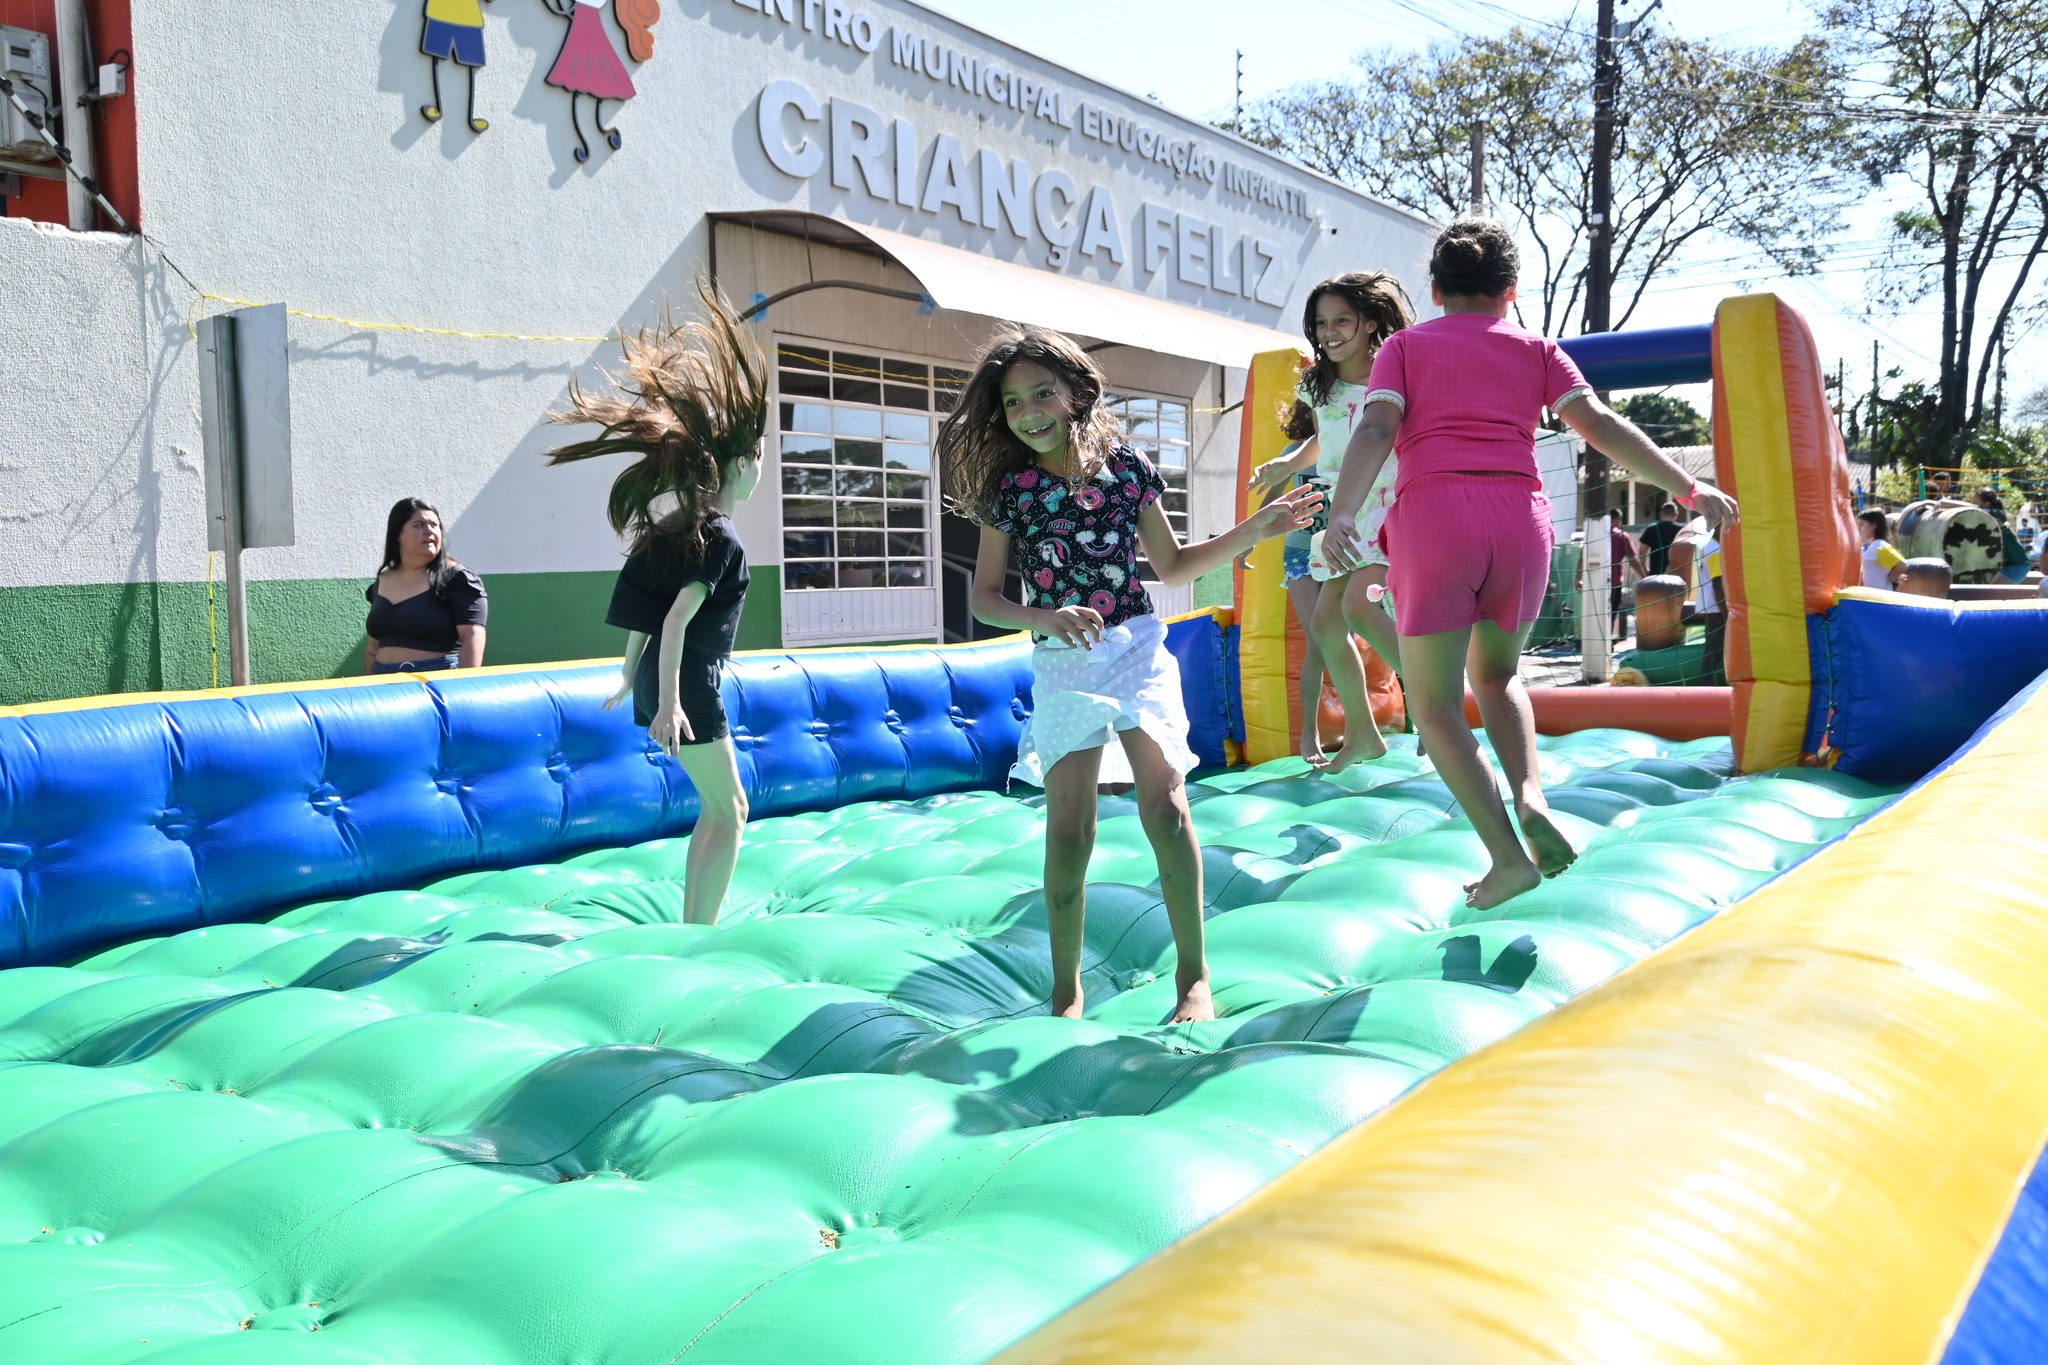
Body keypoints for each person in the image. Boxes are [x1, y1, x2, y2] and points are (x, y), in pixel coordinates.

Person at [1323, 217, 1738, 910]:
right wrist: (1688, 487)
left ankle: (1508, 857)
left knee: (1434, 703)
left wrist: (1343, 512)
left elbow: (1376, 427)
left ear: (1435, 290)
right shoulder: (1538, 349)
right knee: (1498, 674)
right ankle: (1531, 795)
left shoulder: (1404, 346)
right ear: (1510, 290)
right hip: (1520, 520)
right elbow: (1600, 424)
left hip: (1436, 517)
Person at [940, 326, 1321, 1022]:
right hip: (1063, 660)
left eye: (1042, 394)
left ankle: (1194, 979)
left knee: (1166, 807)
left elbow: (1171, 567)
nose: (1028, 413)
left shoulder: (1128, 468)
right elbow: (985, 598)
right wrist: (1046, 615)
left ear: (1077, 393)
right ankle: (1066, 992)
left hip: (1136, 646)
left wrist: (1253, 529)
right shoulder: (1011, 489)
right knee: (1069, 830)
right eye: (1014, 402)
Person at [543, 292, 765, 926]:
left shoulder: (679, 526)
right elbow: (674, 621)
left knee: (717, 809)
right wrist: (669, 703)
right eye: (758, 458)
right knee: (733, 810)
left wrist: (629, 677)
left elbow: (649, 615)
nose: (761, 469)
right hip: (686, 684)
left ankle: (695, 923)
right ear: (740, 464)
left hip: (660, 680)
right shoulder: (721, 536)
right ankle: (702, 932)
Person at [1249, 271, 1416, 768]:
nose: (1330, 331)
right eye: (1321, 323)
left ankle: (1436, 691)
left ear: (1371, 322)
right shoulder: (1318, 384)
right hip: (1343, 509)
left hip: (1386, 503)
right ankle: (1363, 734)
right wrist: (1288, 463)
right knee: (1325, 626)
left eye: (1342, 320)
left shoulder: (1394, 370)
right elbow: (1326, 438)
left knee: (1361, 608)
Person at [363, 498, 488, 674]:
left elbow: (473, 636)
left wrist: (463, 684)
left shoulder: (457, 578)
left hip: (436, 680)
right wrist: (368, 684)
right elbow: (373, 647)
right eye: (419, 525)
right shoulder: (383, 580)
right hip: (383, 681)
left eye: (434, 525)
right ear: (398, 533)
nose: (429, 531)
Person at [1608, 517, 1645, 642]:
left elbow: (1583, 556)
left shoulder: (1596, 534)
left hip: (1595, 582)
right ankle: (1608, 640)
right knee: (1612, 612)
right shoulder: (1621, 536)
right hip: (1615, 582)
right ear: (1617, 520)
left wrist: (1578, 577)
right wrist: (1643, 575)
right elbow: (1632, 559)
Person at [1857, 508, 1906, 589]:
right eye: (1857, 525)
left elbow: (1902, 564)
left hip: (1878, 594)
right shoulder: (1872, 546)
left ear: (1874, 525)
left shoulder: (1879, 546)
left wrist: (1892, 578)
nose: (1858, 528)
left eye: (1861, 524)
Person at [1637, 501, 1682, 576]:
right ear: (1677, 515)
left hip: (1656, 575)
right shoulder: (1682, 530)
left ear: (1661, 514)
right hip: (1677, 575)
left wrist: (1645, 569)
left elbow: (1642, 552)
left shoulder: (1651, 529)